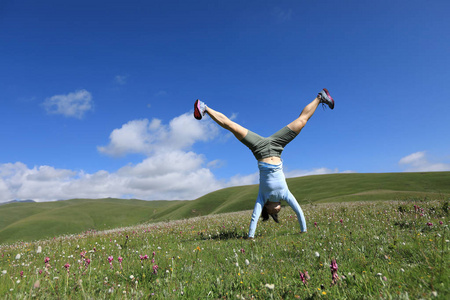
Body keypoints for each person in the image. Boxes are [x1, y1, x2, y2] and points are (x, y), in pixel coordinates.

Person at [193, 89, 334, 239]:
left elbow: (254, 217)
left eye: (274, 213)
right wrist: (303, 231)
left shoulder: (263, 197)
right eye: (278, 211)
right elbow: (299, 211)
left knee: (231, 126)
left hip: (259, 149)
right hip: (277, 146)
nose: (278, 211)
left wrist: (251, 236)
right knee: (301, 121)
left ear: (267, 208)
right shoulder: (285, 194)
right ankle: (320, 98)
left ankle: (204, 107)